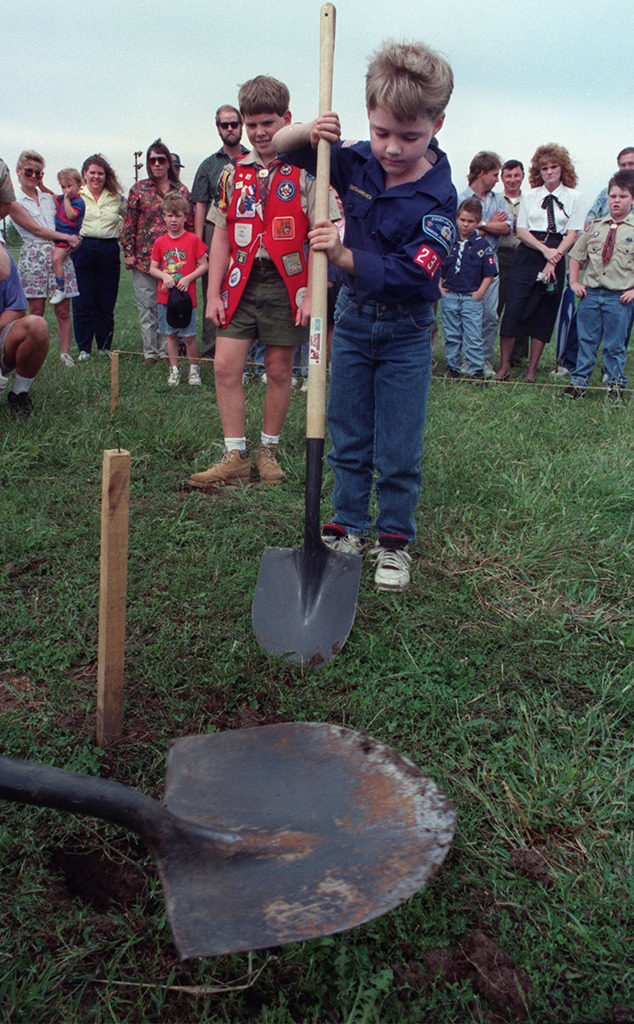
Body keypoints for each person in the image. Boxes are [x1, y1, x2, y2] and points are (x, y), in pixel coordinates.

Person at [274, 39, 456, 592]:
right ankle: (346, 526)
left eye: (409, 136)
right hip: (350, 320)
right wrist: (311, 131)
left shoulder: (440, 196)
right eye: (381, 133)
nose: (393, 148)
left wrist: (346, 254)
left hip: (405, 332)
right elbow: (282, 148)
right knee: (347, 431)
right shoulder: (351, 158)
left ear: (437, 124)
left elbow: (418, 273)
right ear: (368, 121)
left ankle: (394, 540)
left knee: (398, 444)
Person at [188, 75, 336, 489]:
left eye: (268, 123)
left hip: (287, 283)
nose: (259, 133)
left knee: (278, 369)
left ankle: (267, 450)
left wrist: (312, 293)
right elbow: (220, 235)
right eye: (251, 125)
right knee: (224, 365)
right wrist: (213, 291)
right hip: (240, 280)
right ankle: (235, 454)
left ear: (287, 119)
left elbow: (323, 236)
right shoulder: (231, 175)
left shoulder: (308, 172)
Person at [495, 144, 584, 383]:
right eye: (544, 168)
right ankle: (504, 367)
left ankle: (531, 371)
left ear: (562, 169)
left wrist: (553, 259)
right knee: (514, 308)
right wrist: (545, 251)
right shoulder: (531, 196)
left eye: (554, 167)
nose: (549, 172)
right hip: (530, 252)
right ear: (539, 171)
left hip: (558, 251)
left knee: (544, 311)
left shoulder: (574, 197)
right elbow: (521, 230)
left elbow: (572, 234)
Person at [561, 171, 634, 403]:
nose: (616, 200)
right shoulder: (596, 226)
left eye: (622, 196)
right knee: (586, 342)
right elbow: (576, 255)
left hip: (619, 299)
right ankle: (579, 384)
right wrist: (574, 282)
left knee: (614, 346)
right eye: (613, 195)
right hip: (591, 296)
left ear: (632, 199)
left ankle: (614, 388)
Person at [120, 140, 193, 365]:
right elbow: (130, 222)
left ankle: (166, 352)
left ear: (169, 162)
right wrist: (128, 251)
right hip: (143, 259)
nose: (157, 164)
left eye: (162, 159)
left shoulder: (181, 191)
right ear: (148, 163)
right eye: (153, 160)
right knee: (147, 306)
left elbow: (188, 225)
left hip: (173, 261)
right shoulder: (139, 189)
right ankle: (150, 352)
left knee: (167, 305)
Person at [10, 150, 81, 367]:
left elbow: (67, 212)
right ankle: (32, 354)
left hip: (59, 253)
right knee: (37, 312)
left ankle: (64, 354)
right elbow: (37, 230)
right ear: (19, 171)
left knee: (62, 310)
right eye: (29, 172)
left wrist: (74, 237)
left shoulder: (48, 197)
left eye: (39, 174)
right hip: (35, 257)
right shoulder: (13, 203)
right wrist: (68, 237)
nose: (34, 176)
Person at [190, 106, 249, 357]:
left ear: (241, 126)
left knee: (246, 289)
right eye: (224, 125)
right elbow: (200, 206)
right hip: (216, 232)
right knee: (212, 291)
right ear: (218, 129)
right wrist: (200, 246)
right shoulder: (207, 165)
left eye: (234, 124)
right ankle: (211, 350)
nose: (229, 129)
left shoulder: (253, 158)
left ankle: (247, 351)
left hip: (247, 232)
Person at [458, 152, 510, 376]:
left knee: (490, 315)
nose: (498, 179)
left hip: (491, 262)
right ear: (482, 174)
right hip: (466, 263)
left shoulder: (498, 199)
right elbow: (462, 231)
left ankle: (483, 359)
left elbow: (507, 227)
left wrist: (481, 225)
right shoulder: (460, 198)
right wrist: (489, 224)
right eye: (495, 174)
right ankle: (463, 359)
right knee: (465, 313)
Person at [149, 196, 208, 387]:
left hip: (186, 298)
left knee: (189, 336)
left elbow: (204, 265)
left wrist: (188, 278)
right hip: (166, 298)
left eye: (178, 216)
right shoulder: (160, 242)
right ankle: (174, 369)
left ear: (185, 217)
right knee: (171, 335)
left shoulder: (193, 240)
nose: (173, 220)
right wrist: (165, 277)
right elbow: (153, 268)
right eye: (169, 215)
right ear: (164, 218)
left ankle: (193, 370)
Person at [71, 154, 126, 359]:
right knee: (83, 301)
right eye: (92, 173)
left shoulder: (115, 197)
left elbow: (129, 217)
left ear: (106, 175)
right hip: (83, 248)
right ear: (85, 174)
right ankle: (84, 349)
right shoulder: (76, 195)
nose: (96, 177)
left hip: (108, 249)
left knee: (106, 302)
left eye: (100, 173)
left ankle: (104, 347)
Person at [439, 198, 497, 380]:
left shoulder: (483, 246)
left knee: (473, 335)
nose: (465, 224)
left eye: (470, 221)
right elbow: (440, 266)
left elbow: (489, 273)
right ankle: (453, 368)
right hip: (450, 295)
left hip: (471, 298)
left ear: (478, 222)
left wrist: (479, 293)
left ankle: (475, 370)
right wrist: (439, 286)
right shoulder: (448, 242)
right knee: (452, 334)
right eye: (462, 220)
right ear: (457, 218)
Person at [0, 245, 49, 417]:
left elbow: (17, 309)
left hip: (1, 336)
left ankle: (19, 394)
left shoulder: (4, 260)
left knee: (37, 325)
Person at [498, 159, 529, 364]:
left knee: (521, 306)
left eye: (516, 175)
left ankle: (519, 357)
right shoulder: (496, 200)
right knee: (495, 305)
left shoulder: (531, 200)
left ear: (523, 176)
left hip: (523, 255)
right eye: (508, 176)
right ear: (501, 178)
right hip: (500, 255)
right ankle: (483, 354)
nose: (512, 180)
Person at [50, 168, 85, 306]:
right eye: (63, 187)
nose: (66, 190)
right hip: (59, 236)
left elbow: (71, 215)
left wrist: (66, 199)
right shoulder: (63, 198)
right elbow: (52, 196)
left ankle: (61, 288)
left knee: (56, 259)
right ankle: (59, 286)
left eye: (70, 186)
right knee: (55, 259)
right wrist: (41, 186)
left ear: (79, 186)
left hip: (68, 238)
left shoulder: (78, 202)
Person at [584, 147, 634, 228]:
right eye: (623, 165)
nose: (627, 168)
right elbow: (589, 221)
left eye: (631, 164)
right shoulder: (606, 192)